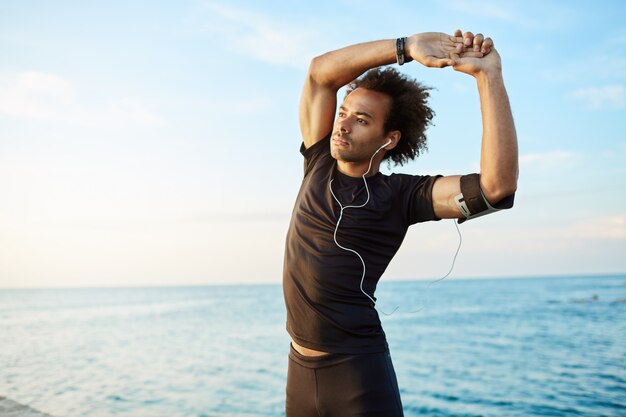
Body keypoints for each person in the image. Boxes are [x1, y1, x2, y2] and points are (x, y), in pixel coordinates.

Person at [282, 29, 518, 416]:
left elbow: (496, 188)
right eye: (343, 113)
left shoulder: (402, 196)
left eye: (361, 120)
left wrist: (488, 77)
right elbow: (319, 72)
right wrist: (405, 48)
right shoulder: (318, 161)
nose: (342, 125)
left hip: (357, 374)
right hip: (299, 371)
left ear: (388, 139)